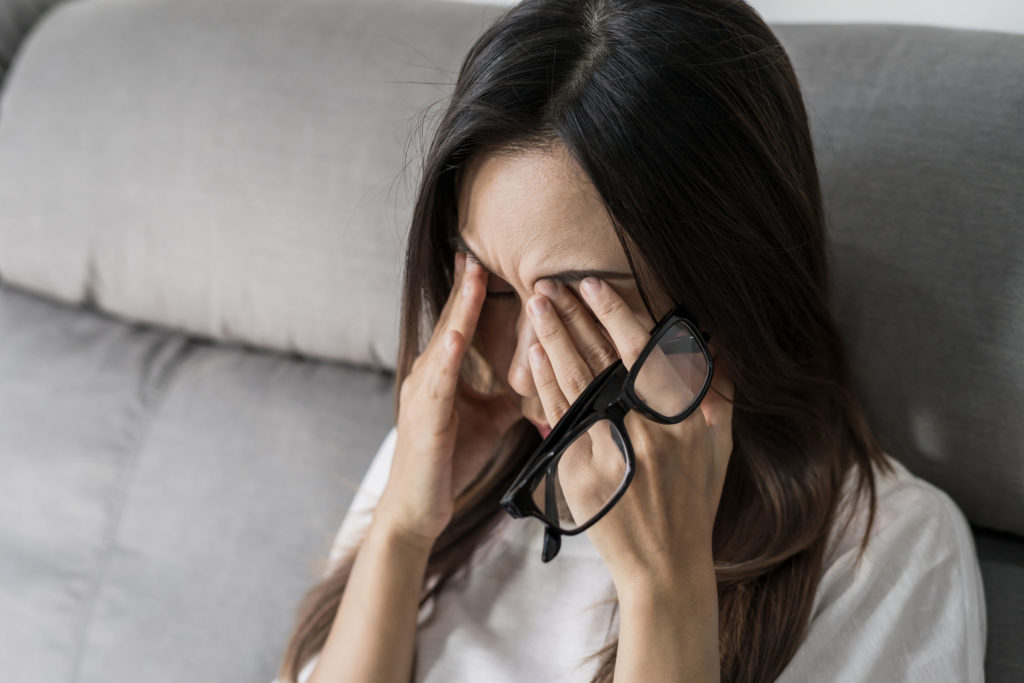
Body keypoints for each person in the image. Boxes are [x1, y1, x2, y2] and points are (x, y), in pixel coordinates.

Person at [276, 0, 986, 681]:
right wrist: (403, 528)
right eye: (492, 287)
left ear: (730, 282)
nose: (524, 371)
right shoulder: (447, 447)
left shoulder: (889, 553)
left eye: (581, 303)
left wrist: (664, 588)